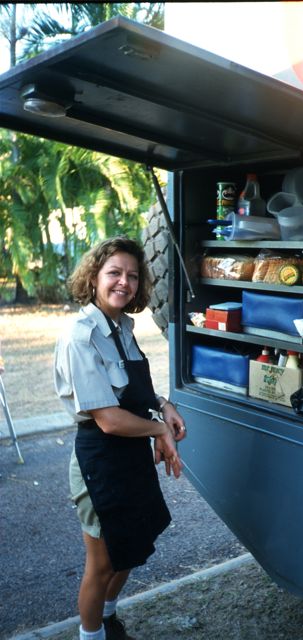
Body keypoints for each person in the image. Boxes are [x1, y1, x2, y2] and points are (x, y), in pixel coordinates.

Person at [54, 236, 186, 640]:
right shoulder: (81, 335)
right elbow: (109, 419)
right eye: (114, 273)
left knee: (132, 544)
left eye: (132, 275)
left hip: (129, 455)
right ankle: (90, 636)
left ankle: (108, 618)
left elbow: (131, 391)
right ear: (94, 277)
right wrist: (160, 430)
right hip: (101, 460)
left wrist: (163, 404)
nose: (123, 283)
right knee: (103, 562)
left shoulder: (122, 327)